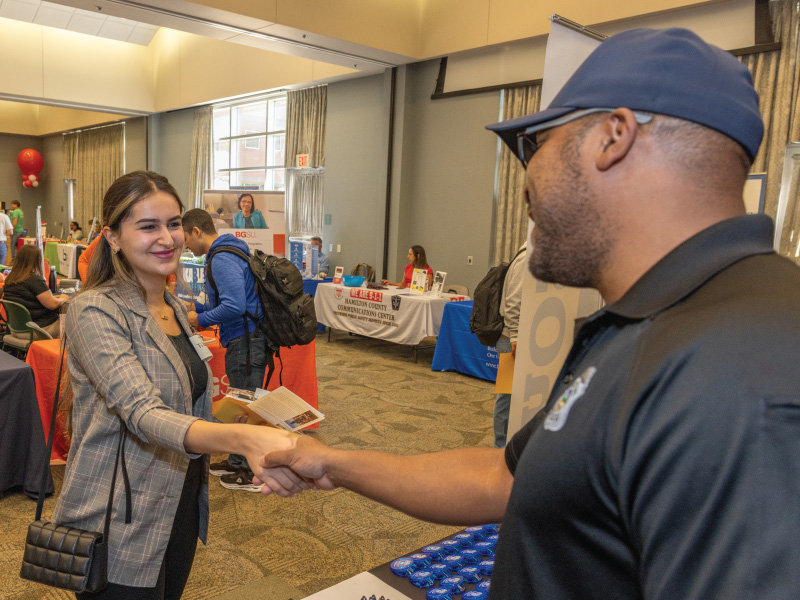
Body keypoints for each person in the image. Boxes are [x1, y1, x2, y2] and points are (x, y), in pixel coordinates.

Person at [257, 29, 800, 599]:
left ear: (612, 138)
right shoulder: (662, 321)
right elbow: (507, 479)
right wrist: (333, 464)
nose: (525, 184)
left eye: (534, 146)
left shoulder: (748, 372)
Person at [51, 171, 305, 600]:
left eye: (172, 224)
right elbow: (143, 412)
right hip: (120, 513)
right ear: (113, 237)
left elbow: (183, 397)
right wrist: (242, 438)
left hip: (180, 500)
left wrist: (233, 414)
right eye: (148, 226)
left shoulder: (171, 304)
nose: (167, 238)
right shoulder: (95, 310)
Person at [182, 208, 268, 492]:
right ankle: (236, 460)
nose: (183, 245)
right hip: (243, 337)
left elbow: (234, 306)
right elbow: (226, 302)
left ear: (196, 231)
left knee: (245, 405)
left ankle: (250, 471)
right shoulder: (225, 253)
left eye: (185, 237)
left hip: (246, 339)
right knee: (240, 401)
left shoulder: (222, 258)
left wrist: (200, 319)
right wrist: (198, 309)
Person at [493, 242, 525, 448]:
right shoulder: (527, 258)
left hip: (513, 337)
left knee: (511, 397)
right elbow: (513, 302)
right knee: (506, 397)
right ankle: (500, 447)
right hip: (511, 339)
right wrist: (514, 336)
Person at [0, 244, 66, 337]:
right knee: (71, 317)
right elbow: (52, 304)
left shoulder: (10, 280)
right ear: (37, 261)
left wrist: (54, 298)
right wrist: (63, 298)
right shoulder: (34, 279)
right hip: (37, 330)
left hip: (15, 330)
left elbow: (30, 300)